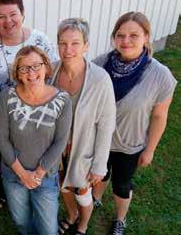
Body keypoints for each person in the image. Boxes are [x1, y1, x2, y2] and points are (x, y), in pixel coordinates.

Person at [92, 12, 177, 235]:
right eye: (120, 35)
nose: (126, 41)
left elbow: (159, 117)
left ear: (147, 37)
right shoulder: (100, 64)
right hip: (99, 140)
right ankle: (96, 199)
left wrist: (150, 150)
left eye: (134, 35)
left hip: (130, 145)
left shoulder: (160, 75)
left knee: (121, 185)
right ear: (113, 38)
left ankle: (120, 219)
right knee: (100, 174)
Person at [0, 0, 59, 208]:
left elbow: (52, 73)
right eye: (1, 16)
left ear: (22, 14)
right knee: (3, 148)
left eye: (13, 14)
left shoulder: (39, 40)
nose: (8, 21)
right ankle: (6, 188)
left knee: (32, 149)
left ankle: (37, 183)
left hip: (36, 111)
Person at [0, 46, 72, 235]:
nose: (31, 73)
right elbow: (1, 138)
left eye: (37, 65)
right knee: (21, 222)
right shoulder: (7, 96)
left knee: (48, 230)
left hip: (45, 177)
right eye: (24, 68)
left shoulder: (62, 100)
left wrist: (37, 173)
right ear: (18, 74)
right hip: (13, 175)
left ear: (46, 67)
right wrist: (22, 174)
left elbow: (60, 142)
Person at [50, 18, 116, 235]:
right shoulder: (50, 72)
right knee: (63, 186)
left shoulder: (100, 79)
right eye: (63, 43)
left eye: (75, 43)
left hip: (84, 149)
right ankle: (71, 215)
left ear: (86, 46)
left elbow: (106, 125)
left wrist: (99, 164)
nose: (68, 49)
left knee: (82, 191)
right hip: (57, 148)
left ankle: (83, 224)